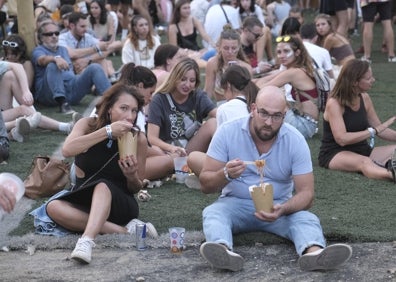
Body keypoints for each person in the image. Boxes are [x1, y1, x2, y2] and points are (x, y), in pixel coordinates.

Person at [198, 85, 353, 272]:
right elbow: (205, 184)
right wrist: (225, 174)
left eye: (276, 116)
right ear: (253, 109)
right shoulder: (227, 132)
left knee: (306, 218)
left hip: (278, 205)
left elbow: (307, 194)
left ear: (285, 114)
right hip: (235, 203)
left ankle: (314, 253)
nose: (269, 122)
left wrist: (283, 209)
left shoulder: (295, 140)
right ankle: (222, 251)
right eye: (263, 113)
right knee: (214, 213)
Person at [46, 83, 157, 264]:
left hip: (120, 204)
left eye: (134, 111)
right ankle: (125, 232)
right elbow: (67, 150)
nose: (130, 116)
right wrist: (107, 132)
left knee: (102, 186)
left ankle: (86, 241)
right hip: (85, 199)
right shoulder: (87, 125)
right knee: (52, 207)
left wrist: (131, 176)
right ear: (109, 109)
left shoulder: (139, 139)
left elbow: (136, 187)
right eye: (124, 108)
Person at [319, 59, 396, 182]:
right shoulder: (334, 104)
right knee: (364, 162)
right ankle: (391, 174)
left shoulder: (365, 98)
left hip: (362, 150)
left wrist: (377, 130)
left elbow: (380, 129)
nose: (373, 80)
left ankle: (385, 166)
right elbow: (342, 139)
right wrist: (373, 131)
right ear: (355, 82)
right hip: (335, 153)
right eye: (368, 78)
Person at [32, 20, 111, 114]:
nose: (54, 36)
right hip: (50, 95)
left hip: (71, 90)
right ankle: (63, 104)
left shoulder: (63, 50)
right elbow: (42, 60)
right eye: (49, 34)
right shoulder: (38, 50)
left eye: (56, 33)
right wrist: (56, 59)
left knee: (95, 67)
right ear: (41, 37)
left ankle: (112, 99)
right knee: (53, 65)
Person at [147, 58, 217, 158]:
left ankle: (223, 158)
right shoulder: (159, 99)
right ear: (174, 78)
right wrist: (172, 149)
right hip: (168, 151)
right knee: (156, 150)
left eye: (192, 80)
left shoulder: (198, 95)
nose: (187, 85)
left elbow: (218, 114)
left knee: (213, 123)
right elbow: (152, 138)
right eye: (183, 79)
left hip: (191, 149)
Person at [256, 35, 319, 139]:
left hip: (304, 126)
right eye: (279, 52)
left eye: (286, 51)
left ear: (297, 53)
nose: (281, 56)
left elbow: (261, 89)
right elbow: (264, 80)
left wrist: (256, 81)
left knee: (271, 97)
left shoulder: (294, 73)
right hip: (307, 124)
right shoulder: (297, 69)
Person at [58, 11, 119, 78]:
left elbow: (105, 49)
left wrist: (88, 60)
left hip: (83, 68)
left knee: (102, 60)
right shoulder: (62, 38)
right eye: (82, 26)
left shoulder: (87, 36)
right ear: (72, 26)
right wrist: (95, 49)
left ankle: (106, 83)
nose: (86, 29)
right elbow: (71, 53)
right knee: (86, 67)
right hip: (69, 73)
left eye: (86, 26)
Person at [204, 26, 253, 104]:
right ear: (219, 47)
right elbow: (207, 92)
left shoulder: (246, 68)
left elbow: (249, 94)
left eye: (233, 48)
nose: (230, 52)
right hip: (221, 104)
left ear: (239, 47)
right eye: (226, 48)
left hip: (240, 104)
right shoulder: (213, 63)